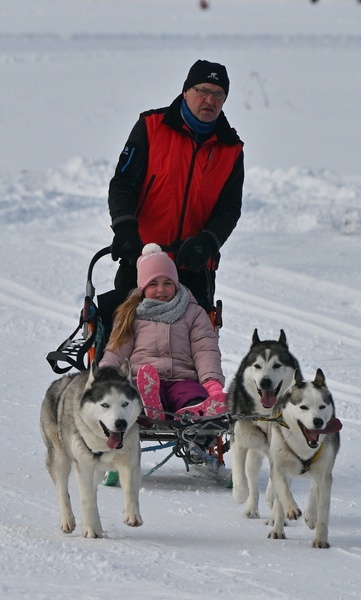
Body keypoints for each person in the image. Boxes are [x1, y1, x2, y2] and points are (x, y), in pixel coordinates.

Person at [104, 59, 244, 320]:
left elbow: (229, 209)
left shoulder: (232, 149)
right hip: (142, 257)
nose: (210, 100)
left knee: (191, 347)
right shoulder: (151, 127)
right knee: (126, 340)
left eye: (218, 94)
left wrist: (208, 241)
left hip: (194, 265)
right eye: (203, 90)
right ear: (186, 91)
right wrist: (124, 227)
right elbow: (123, 184)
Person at [99, 243, 227, 419]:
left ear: (176, 284)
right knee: (134, 392)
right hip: (141, 379)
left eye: (168, 283)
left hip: (182, 379)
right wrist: (105, 374)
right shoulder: (131, 314)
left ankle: (194, 410)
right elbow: (117, 351)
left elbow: (205, 350)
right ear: (142, 288)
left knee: (192, 394)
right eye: (153, 283)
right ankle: (148, 406)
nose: (161, 289)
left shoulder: (193, 312)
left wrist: (211, 383)